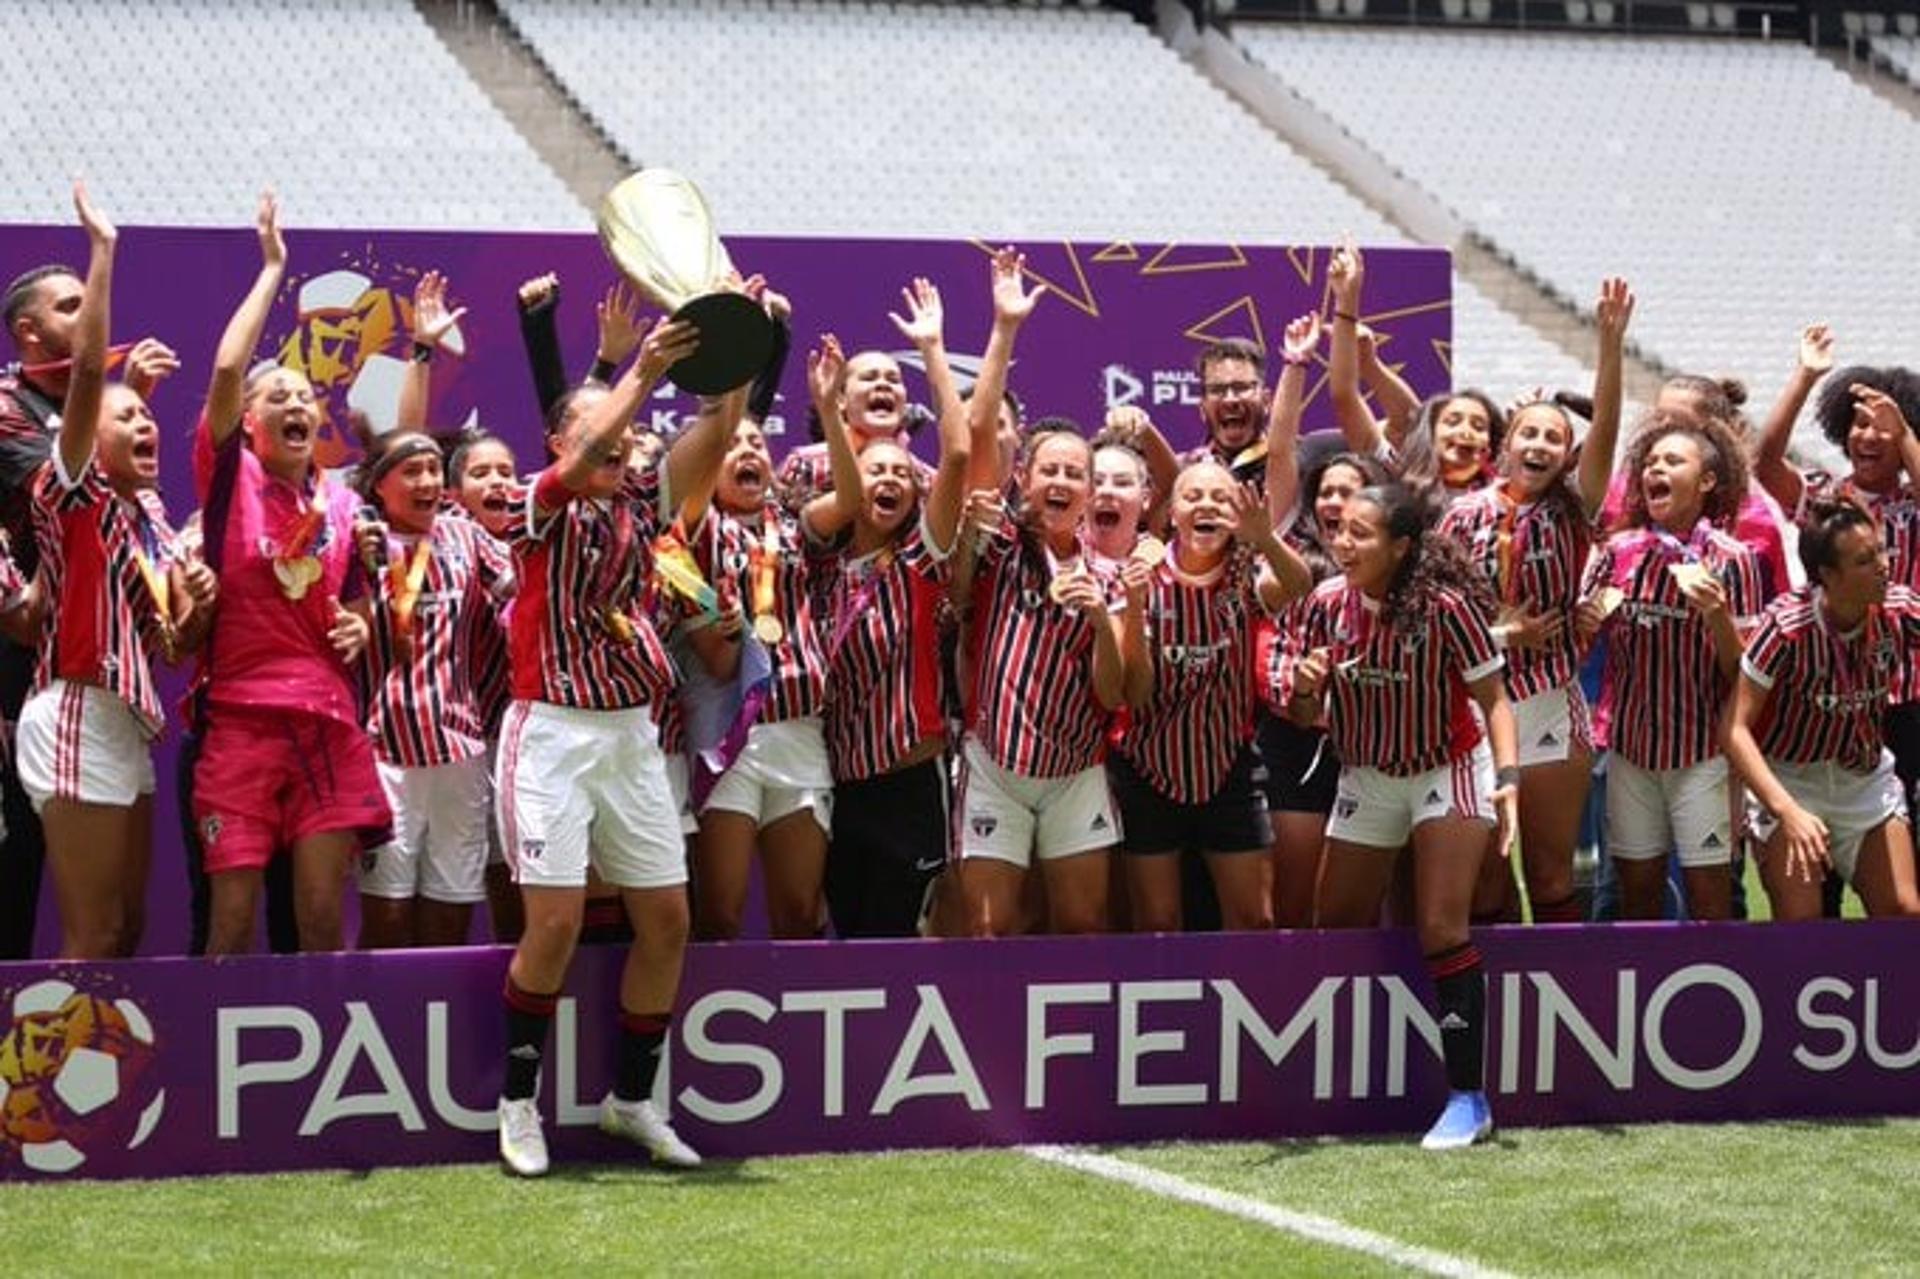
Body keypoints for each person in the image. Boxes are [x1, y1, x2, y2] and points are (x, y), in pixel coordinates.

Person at [492, 307, 738, 1178]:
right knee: (553, 924)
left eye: (628, 430)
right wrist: (639, 370)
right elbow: (593, 449)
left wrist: (739, 346)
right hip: (551, 730)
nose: (624, 442)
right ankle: (519, 1101)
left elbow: (714, 435)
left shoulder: (644, 504)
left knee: (668, 920)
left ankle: (631, 1101)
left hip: (633, 735)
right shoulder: (535, 505)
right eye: (599, 426)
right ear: (560, 435)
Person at [1277, 482, 1517, 1149]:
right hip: (1368, 776)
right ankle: (1349, 1082)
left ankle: (1469, 1097)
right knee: (1337, 923)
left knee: (1442, 924)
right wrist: (1303, 691)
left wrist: (1510, 780)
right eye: (1340, 529)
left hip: (1448, 766)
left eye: (1362, 533)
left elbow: (1493, 698)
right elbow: (1304, 716)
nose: (1343, 542)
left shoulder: (1446, 609)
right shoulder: (1326, 603)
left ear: (1401, 546)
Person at [13, 187, 214, 959]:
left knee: (126, 931)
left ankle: (116, 1076)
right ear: (78, 436)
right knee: (91, 933)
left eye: (148, 414)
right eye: (124, 415)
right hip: (74, 712)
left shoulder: (152, 520)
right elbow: (91, 369)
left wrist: (197, 606)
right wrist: (103, 254)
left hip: (128, 720)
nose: (145, 422)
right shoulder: (73, 489)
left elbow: (173, 648)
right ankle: (42, 1081)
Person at [190, 194, 386, 954]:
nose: (298, 403)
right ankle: (213, 1065)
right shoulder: (226, 475)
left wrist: (359, 623)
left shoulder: (341, 501)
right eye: (280, 398)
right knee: (232, 922)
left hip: (330, 724)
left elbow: (357, 603)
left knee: (320, 919)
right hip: (240, 716)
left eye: (306, 396)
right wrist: (274, 266)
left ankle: (327, 1064)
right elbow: (229, 366)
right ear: (251, 420)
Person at [1437, 278, 1635, 924]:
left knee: (1551, 875)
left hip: (1551, 705)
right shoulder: (1459, 516)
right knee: (1488, 883)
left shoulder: (1572, 510)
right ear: (1504, 447)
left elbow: (1605, 425)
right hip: (1472, 709)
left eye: (1555, 438)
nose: (1542, 445)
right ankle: (1497, 1009)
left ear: (1567, 456)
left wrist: (1609, 346)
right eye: (1530, 433)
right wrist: (1503, 638)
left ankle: (1560, 1003)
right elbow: (1437, 621)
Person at [352, 273, 516, 949]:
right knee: (387, 922)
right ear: (378, 484)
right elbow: (403, 432)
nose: (423, 478)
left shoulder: (461, 530)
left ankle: (432, 1051)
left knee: (450, 919)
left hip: (461, 752)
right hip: (385, 752)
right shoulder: (359, 534)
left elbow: (516, 587)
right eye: (408, 471)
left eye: (432, 471)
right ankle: (377, 1043)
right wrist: (421, 350)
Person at [810, 286, 970, 937]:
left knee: (909, 934)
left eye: (902, 473)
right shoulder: (817, 567)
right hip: (840, 785)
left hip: (910, 783)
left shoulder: (921, 564)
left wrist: (932, 349)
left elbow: (957, 454)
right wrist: (825, 406)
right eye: (873, 471)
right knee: (851, 933)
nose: (890, 480)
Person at [1110, 458, 1310, 931]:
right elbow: (1134, 695)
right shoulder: (1140, 577)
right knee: (1158, 921)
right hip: (1146, 771)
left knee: (1254, 919)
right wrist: (1136, 611)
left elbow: (1299, 586)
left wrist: (1265, 537)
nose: (1207, 506)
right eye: (1193, 496)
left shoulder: (1247, 572)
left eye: (1221, 498)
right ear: (1170, 513)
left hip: (1228, 769)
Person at [1577, 415, 1764, 922]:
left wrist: (1717, 614)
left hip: (1702, 754)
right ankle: (1640, 1000)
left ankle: (1714, 997)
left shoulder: (1733, 559)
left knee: (1712, 901)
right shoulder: (1616, 553)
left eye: (1673, 460)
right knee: (1637, 898)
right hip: (1629, 752)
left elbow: (1742, 674)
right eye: (1651, 462)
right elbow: (1573, 649)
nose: (1656, 468)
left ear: (1707, 481)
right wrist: (1586, 622)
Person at [952, 419, 1129, 936]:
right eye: (1048, 470)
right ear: (1025, 478)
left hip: (1075, 771)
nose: (1060, 482)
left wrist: (1101, 621)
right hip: (993, 768)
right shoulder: (1002, 546)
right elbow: (958, 595)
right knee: (989, 929)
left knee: (1083, 926)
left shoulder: (1109, 577)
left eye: (1074, 474)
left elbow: (1113, 691)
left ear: (1091, 492)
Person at [1724, 492, 1920, 920]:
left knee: (1905, 913)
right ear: (1828, 575)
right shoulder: (1786, 626)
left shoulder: (1899, 610)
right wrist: (1787, 811)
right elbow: (1734, 732)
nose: (1884, 565)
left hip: (1864, 780)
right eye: (1866, 560)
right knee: (1802, 922)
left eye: (1881, 551)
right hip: (1791, 781)